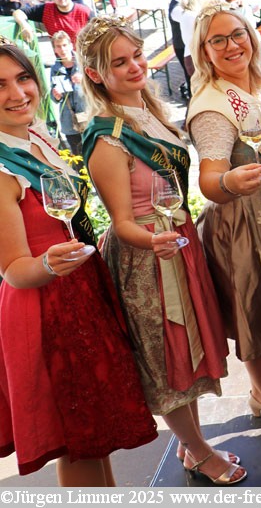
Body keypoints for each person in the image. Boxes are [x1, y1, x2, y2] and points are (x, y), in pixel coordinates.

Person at [78, 16, 241, 485]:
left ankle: (194, 445)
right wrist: (154, 241)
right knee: (167, 358)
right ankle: (198, 451)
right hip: (149, 255)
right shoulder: (106, 137)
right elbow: (121, 222)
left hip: (176, 240)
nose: (135, 67)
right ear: (95, 74)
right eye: (119, 62)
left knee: (186, 352)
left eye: (137, 56)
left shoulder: (148, 110)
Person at [0, 38, 157, 485]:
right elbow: (13, 270)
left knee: (97, 437)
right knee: (79, 441)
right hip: (46, 306)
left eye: (23, 78)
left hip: (79, 289)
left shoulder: (34, 138)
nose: (18, 93)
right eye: (0, 85)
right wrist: (49, 264)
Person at [186, 0, 261, 439]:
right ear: (204, 52)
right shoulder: (213, 106)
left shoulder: (260, 84)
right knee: (260, 323)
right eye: (217, 40)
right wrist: (230, 181)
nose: (231, 45)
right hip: (245, 221)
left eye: (237, 34)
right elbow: (209, 179)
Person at [48, 30, 87, 155]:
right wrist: (55, 95)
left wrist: (84, 80)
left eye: (64, 45)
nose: (62, 49)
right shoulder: (55, 69)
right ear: (54, 49)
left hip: (88, 115)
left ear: (71, 45)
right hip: (69, 120)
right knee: (78, 156)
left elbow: (100, 83)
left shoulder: (83, 63)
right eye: (58, 46)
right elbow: (53, 97)